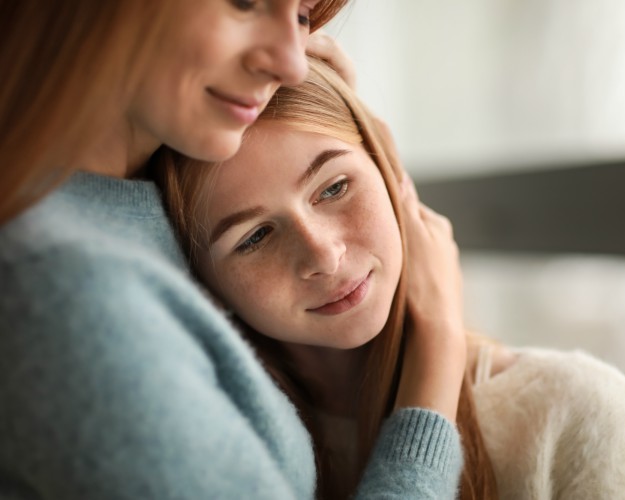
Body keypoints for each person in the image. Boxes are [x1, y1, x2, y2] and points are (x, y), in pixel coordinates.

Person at [0, 2, 470, 499]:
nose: (293, 63)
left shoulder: (141, 191)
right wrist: (438, 354)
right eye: (246, 2)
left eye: (303, 16)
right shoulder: (59, 293)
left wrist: (342, 120)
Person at [157, 56, 625, 499]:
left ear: (390, 175)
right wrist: (440, 340)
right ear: (204, 285)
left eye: (334, 187)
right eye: (253, 237)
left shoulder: (576, 415)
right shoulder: (213, 447)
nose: (324, 254)